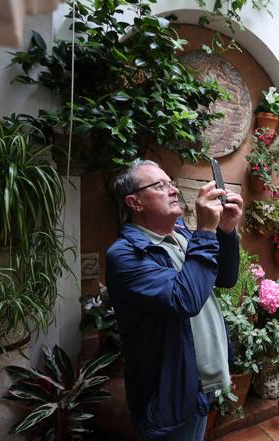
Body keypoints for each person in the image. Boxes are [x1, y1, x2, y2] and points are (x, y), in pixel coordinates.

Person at [106, 159, 242, 440]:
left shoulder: (180, 234)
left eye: (171, 183)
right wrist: (205, 230)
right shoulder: (125, 255)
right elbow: (185, 299)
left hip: (199, 384)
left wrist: (226, 231)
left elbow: (224, 278)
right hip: (169, 394)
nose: (173, 191)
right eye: (159, 185)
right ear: (135, 202)